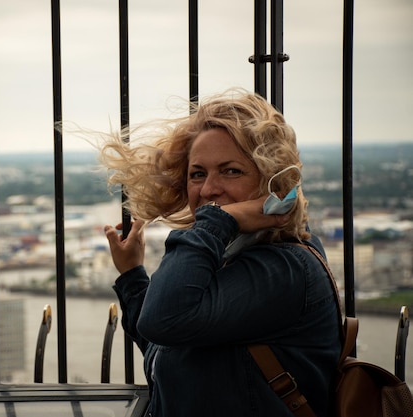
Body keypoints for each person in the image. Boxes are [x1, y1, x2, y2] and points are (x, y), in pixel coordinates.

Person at [99, 90, 341, 416]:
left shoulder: (286, 270)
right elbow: (169, 343)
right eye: (198, 174)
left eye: (231, 171)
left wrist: (219, 221)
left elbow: (165, 320)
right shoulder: (232, 254)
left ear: (271, 180)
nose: (209, 188)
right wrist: (132, 276)